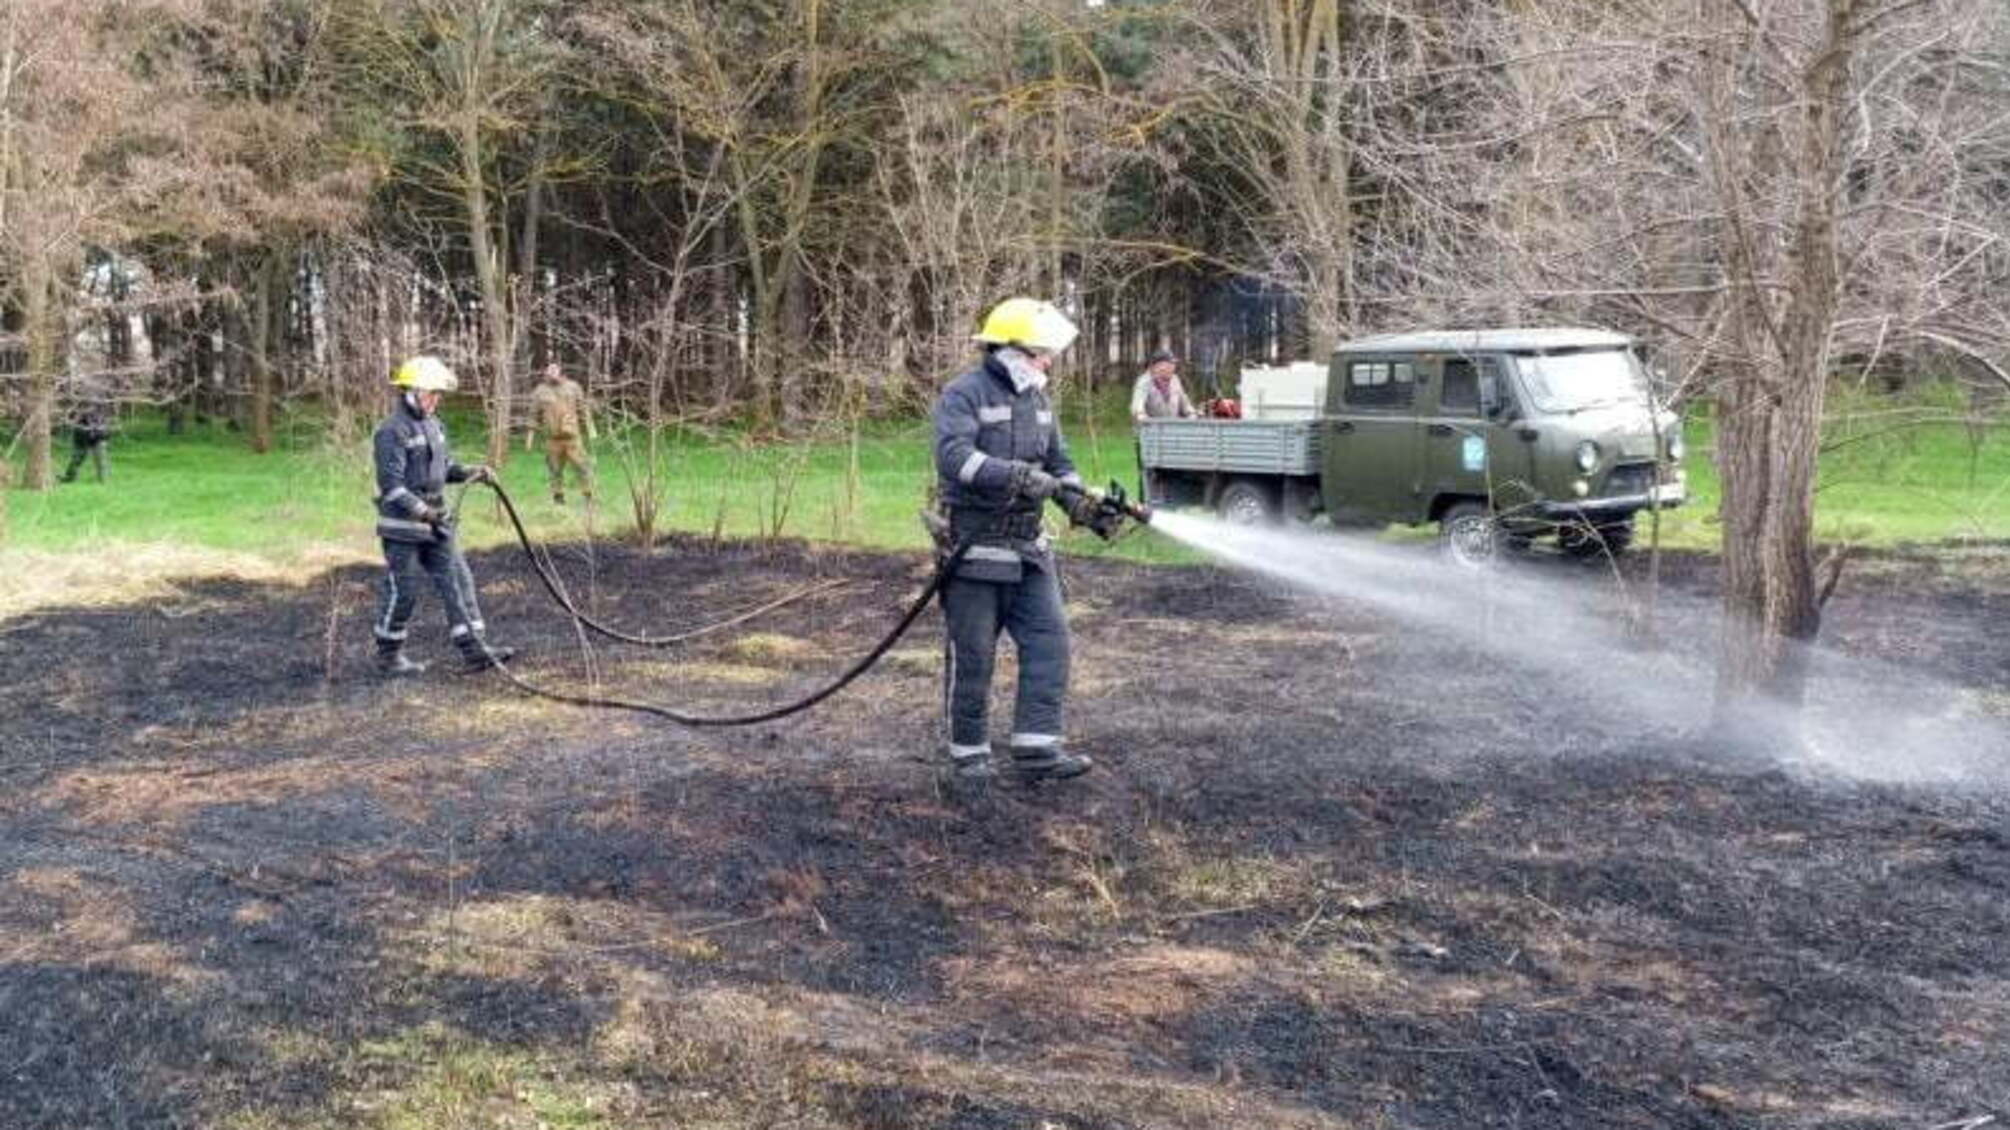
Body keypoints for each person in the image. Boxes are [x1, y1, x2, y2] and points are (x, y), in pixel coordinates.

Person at [931, 297, 1111, 789]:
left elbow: (1060, 462)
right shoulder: (964, 395)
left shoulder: (1038, 401)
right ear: (1007, 349)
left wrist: (1080, 504)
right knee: (974, 658)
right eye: (1040, 352)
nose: (1047, 361)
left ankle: (1037, 749)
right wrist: (1014, 477)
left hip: (1029, 551)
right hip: (974, 551)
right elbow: (955, 459)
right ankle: (968, 759)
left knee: (1051, 644)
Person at [370, 355, 515, 676]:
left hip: (436, 522)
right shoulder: (391, 431)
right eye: (430, 393)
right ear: (410, 391)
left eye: (438, 395)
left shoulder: (434, 426)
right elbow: (392, 486)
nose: (435, 400)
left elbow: (443, 469)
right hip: (402, 528)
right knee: (404, 590)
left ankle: (475, 649)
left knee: (459, 581)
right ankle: (388, 655)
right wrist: (424, 513)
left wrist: (471, 472)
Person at [526, 361, 596, 505]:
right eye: (549, 370)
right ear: (546, 373)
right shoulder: (540, 391)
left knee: (582, 466)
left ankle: (588, 495)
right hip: (553, 439)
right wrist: (529, 439)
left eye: (554, 369)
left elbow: (582, 409)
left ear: (560, 371)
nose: (552, 372)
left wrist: (591, 431)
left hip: (572, 438)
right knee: (555, 469)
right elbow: (533, 415)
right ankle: (558, 497)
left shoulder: (573, 387)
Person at [1129, 349, 1196, 423]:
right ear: (1157, 366)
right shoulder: (1144, 381)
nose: (1173, 367)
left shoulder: (1175, 380)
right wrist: (1140, 415)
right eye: (1169, 364)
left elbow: (1185, 403)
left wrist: (1192, 414)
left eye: (1173, 364)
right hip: (1152, 427)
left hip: (1174, 426)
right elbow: (1138, 404)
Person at [59, 402, 113, 484]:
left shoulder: (100, 413)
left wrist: (98, 430)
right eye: (85, 408)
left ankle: (103, 480)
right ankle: (69, 477)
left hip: (97, 438)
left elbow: (105, 429)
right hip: (82, 439)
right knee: (76, 459)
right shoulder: (76, 413)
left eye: (89, 407)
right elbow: (73, 425)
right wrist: (85, 429)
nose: (87, 409)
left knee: (100, 459)